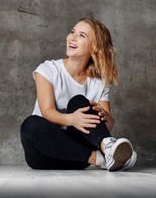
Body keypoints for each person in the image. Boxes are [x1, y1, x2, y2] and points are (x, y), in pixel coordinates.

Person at [20, 18, 137, 171]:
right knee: (30, 124)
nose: (73, 37)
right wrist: (72, 119)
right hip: (44, 154)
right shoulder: (48, 69)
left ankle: (108, 149)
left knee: (79, 102)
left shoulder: (99, 82)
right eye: (72, 32)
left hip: (78, 156)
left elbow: (108, 124)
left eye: (82, 35)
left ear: (94, 48)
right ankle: (102, 159)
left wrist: (105, 116)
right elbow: (47, 112)